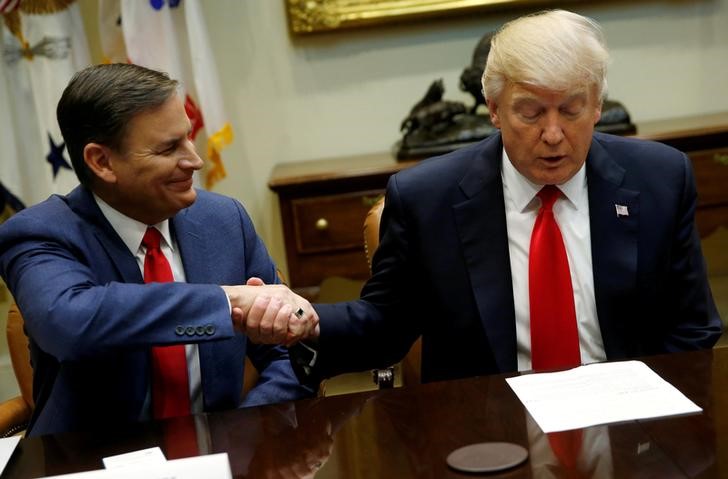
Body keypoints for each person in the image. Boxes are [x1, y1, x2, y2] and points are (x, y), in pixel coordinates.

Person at [274, 9, 723, 384]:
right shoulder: (427, 199)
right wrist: (303, 320)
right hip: (489, 436)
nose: (553, 135)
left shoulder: (660, 179)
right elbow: (384, 328)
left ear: (597, 105)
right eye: (530, 112)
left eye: (571, 110)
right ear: (493, 109)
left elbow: (693, 327)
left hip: (631, 426)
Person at [0, 63, 317, 437]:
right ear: (101, 162)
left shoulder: (224, 221)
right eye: (169, 148)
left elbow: (288, 355)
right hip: (91, 464)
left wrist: (245, 430)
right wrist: (226, 302)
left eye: (188, 137)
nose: (195, 160)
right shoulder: (39, 233)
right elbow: (71, 324)